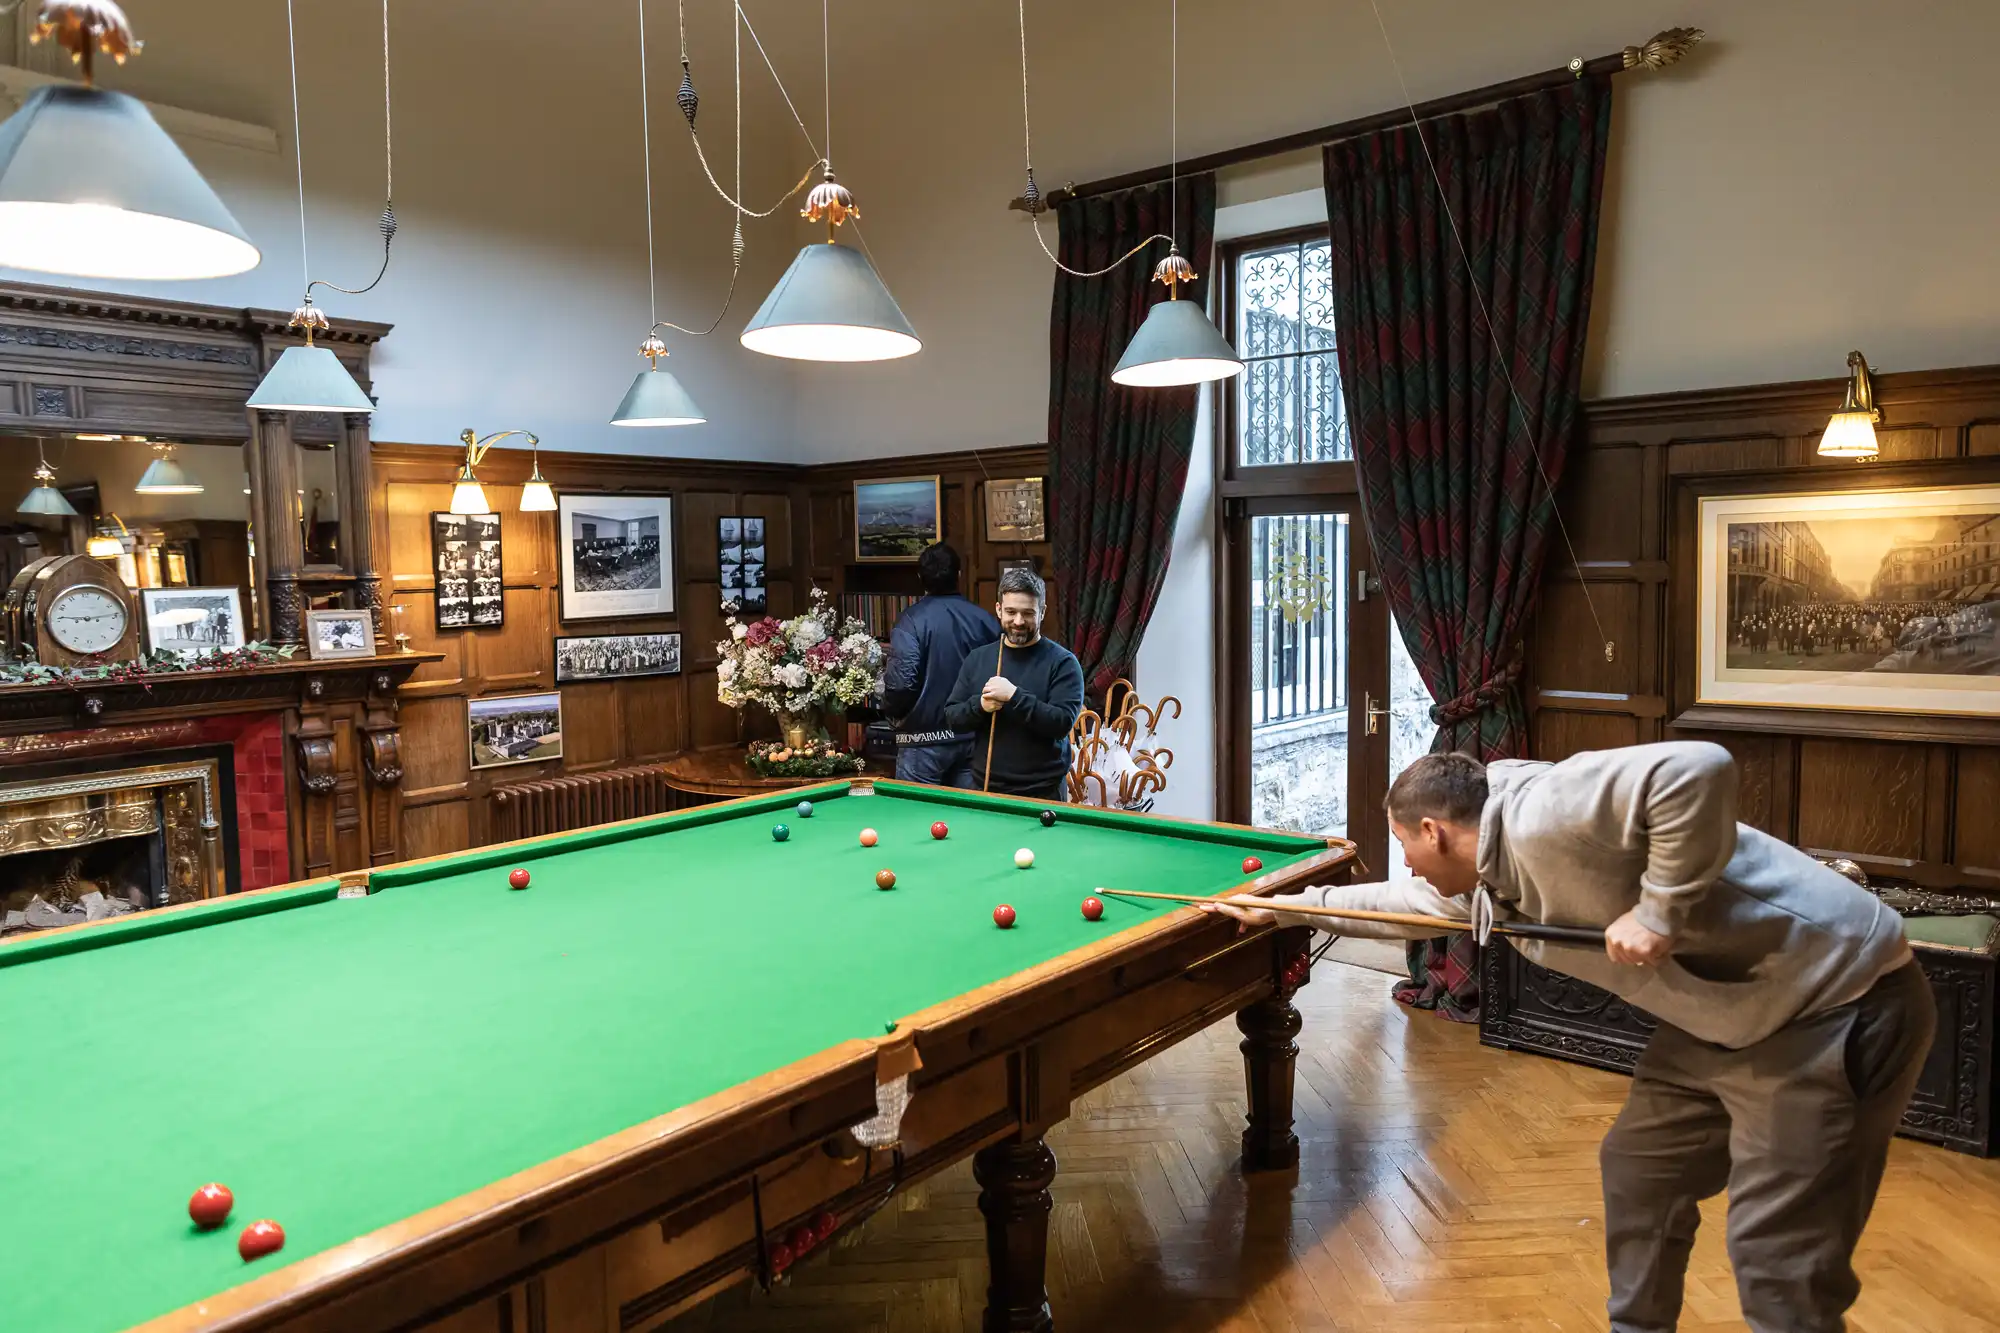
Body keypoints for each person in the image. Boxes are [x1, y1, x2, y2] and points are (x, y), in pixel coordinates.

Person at [1208, 742, 1934, 1333]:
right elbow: (1406, 905)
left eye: (1405, 843)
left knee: (1782, 1262)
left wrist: (1658, 913)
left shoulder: (1547, 811)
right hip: (1724, 1014)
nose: (1406, 860)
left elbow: (1698, 769)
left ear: (1435, 830)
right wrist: (1285, 909)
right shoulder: (1480, 873)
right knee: (1641, 1168)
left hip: (1835, 997)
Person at [941, 566, 1084, 801]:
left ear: (1042, 612)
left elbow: (1061, 724)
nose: (1018, 621)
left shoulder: (1063, 663)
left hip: (1043, 792)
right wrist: (980, 706)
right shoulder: (978, 658)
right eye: (1011, 612)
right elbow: (953, 717)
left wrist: (1014, 696)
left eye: (1028, 613)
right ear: (998, 609)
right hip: (985, 787)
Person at [880, 543, 1000, 787]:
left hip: (921, 743)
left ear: (919, 578)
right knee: (969, 820)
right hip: (972, 739)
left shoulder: (910, 621)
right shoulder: (986, 620)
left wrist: (889, 711)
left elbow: (901, 684)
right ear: (958, 575)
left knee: (916, 820)